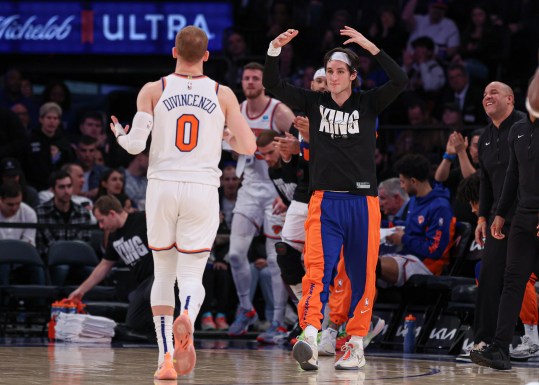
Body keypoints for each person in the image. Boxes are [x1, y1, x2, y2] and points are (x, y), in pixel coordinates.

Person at [109, 26, 256, 380]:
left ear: (174, 52)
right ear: (206, 56)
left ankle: (165, 362)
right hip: (201, 188)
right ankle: (187, 313)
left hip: (161, 188)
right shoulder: (223, 94)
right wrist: (225, 135)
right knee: (192, 274)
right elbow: (249, 146)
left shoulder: (154, 90)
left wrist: (118, 132)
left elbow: (134, 145)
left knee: (164, 273)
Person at [263, 26, 407, 370]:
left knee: (360, 275)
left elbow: (400, 80)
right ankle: (310, 333)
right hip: (324, 200)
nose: (333, 76)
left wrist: (372, 47)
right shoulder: (314, 102)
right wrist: (273, 50)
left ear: (353, 76)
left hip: (363, 202)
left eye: (340, 71)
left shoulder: (368, 102)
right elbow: (274, 85)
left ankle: (356, 342)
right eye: (329, 71)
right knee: (316, 270)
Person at [471, 71, 539, 370]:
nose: (488, 96)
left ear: (513, 99)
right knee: (507, 279)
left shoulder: (523, 124)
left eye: (494, 92)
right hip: (518, 215)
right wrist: (493, 214)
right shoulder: (515, 133)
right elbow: (509, 176)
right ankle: (496, 346)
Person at [226, 61, 295, 338]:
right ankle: (246, 308)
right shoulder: (237, 111)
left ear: (263, 82)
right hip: (250, 187)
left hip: (276, 189)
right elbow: (231, 150)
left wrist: (290, 186)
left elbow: (303, 141)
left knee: (275, 259)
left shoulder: (279, 112)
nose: (251, 82)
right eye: (247, 78)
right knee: (234, 254)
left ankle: (278, 321)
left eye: (255, 78)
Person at [68, 195, 155, 334]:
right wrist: (81, 290)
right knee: (133, 324)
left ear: (112, 214)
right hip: (144, 282)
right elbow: (104, 266)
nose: (101, 226)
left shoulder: (142, 219)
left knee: (152, 293)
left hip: (162, 274)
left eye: (102, 221)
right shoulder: (114, 237)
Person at [379, 154, 455, 287]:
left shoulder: (440, 207)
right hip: (407, 256)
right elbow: (409, 226)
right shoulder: (415, 200)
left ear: (413, 181)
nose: (401, 186)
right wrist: (377, 224)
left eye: (402, 181)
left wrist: (403, 239)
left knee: (370, 265)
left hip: (428, 265)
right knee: (359, 262)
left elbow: (434, 250)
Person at [0, 181, 42, 286]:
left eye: (18, 203)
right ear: (1, 200)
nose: (14, 208)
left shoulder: (29, 213)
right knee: (3, 266)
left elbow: (29, 244)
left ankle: (40, 301)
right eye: (10, 204)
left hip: (21, 256)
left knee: (37, 267)